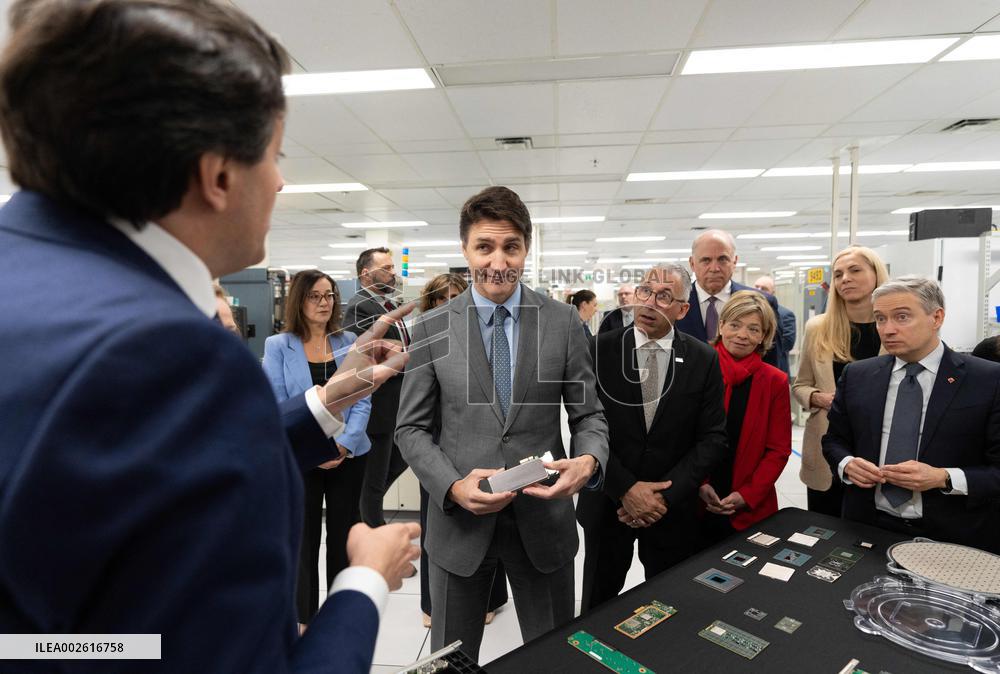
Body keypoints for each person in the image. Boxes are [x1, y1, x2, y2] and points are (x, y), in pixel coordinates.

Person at [0, 2, 419, 671]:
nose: (281, 180)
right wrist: (365, 582)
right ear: (218, 173)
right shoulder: (168, 357)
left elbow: (131, 467)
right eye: (276, 154)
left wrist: (325, 402)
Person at [395, 186, 609, 662]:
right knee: (452, 659)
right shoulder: (432, 329)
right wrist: (450, 486)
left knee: (552, 655)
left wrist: (589, 461)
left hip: (544, 519)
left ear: (526, 249)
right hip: (459, 525)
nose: (498, 261)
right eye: (484, 247)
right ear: (465, 250)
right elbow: (410, 429)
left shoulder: (562, 323)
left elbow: (589, 413)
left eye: (511, 246)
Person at [578, 264, 728, 612]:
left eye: (664, 296)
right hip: (608, 503)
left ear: (682, 309)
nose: (649, 303)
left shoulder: (702, 358)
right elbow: (584, 426)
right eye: (645, 291)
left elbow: (712, 438)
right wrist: (626, 490)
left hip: (670, 510)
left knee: (668, 606)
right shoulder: (599, 349)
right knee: (597, 602)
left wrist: (663, 496)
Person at [823, 277, 1000, 553]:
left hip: (950, 536)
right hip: (866, 526)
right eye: (880, 319)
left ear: (936, 317)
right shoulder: (858, 375)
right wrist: (847, 464)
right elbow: (833, 440)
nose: (887, 329)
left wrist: (944, 477)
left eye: (902, 317)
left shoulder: (987, 380)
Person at [263, 271, 372, 627]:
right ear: (299, 300)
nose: (325, 303)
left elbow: (362, 399)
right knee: (304, 538)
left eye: (329, 296)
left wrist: (344, 443)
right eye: (315, 296)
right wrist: (316, 444)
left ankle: (339, 613)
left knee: (343, 535)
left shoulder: (350, 340)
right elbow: (280, 404)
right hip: (302, 457)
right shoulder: (278, 346)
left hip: (349, 455)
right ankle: (305, 617)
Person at [415, 273, 508, 629]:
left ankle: (492, 598)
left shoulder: (489, 332)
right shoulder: (431, 333)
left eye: (458, 295)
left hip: (488, 440)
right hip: (440, 446)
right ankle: (431, 601)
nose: (453, 302)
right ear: (433, 303)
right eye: (444, 298)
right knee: (438, 526)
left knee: (497, 519)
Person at [793, 246, 888, 517]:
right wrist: (817, 397)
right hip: (827, 448)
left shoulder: (893, 330)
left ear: (876, 274)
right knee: (825, 531)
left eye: (855, 270)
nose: (845, 278)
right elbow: (800, 385)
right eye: (838, 274)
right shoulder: (818, 328)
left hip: (878, 448)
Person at [699, 291, 791, 545]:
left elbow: (778, 450)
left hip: (751, 507)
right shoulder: (697, 368)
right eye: (735, 325)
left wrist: (747, 495)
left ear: (763, 336)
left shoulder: (775, 381)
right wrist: (699, 484)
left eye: (753, 329)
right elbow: (680, 438)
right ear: (721, 326)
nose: (742, 335)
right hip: (695, 502)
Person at [345, 247, 412, 535]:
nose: (393, 272)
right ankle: (373, 540)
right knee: (373, 481)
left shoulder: (386, 306)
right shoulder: (360, 307)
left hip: (395, 408)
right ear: (366, 273)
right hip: (378, 410)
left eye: (393, 267)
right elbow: (360, 356)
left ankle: (360, 518)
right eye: (386, 268)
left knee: (398, 464)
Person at [675, 229, 782, 367]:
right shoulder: (674, 304)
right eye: (706, 260)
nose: (714, 268)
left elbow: (771, 362)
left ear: (735, 261)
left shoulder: (764, 303)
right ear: (692, 263)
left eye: (722, 259)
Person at [753, 275, 797, 377]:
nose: (759, 290)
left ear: (773, 292)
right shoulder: (748, 313)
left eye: (764, 289)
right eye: (756, 287)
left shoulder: (785, 314)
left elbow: (788, 343)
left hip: (775, 369)